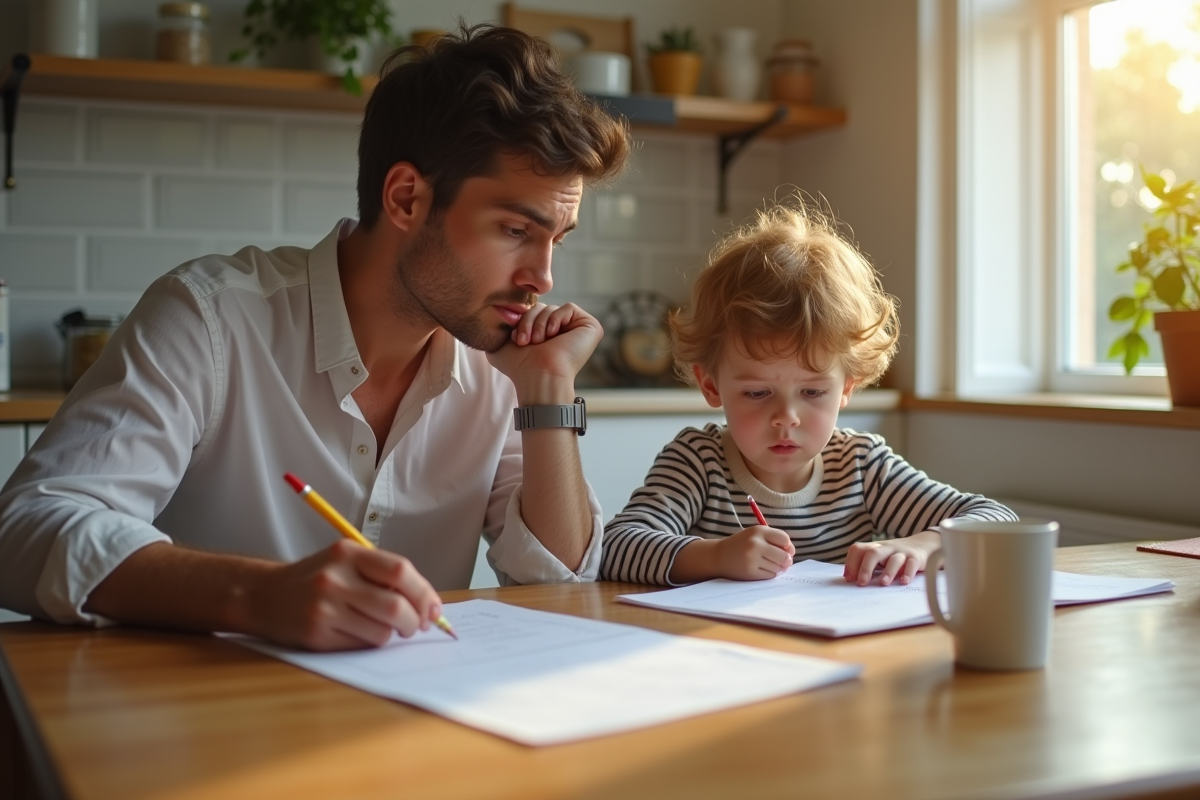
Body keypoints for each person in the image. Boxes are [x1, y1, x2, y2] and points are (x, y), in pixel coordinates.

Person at [0, 25, 631, 650]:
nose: (542, 277)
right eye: (516, 230)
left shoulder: (503, 362)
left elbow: (561, 585)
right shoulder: (211, 319)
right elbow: (25, 532)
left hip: (417, 721)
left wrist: (548, 390)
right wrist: (257, 595)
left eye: (558, 239)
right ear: (407, 198)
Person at [601, 200, 1015, 587]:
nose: (787, 417)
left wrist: (921, 545)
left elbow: (998, 521)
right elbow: (615, 547)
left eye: (814, 391)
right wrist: (715, 557)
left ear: (846, 388)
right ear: (712, 385)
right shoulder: (698, 463)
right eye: (758, 392)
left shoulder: (861, 467)